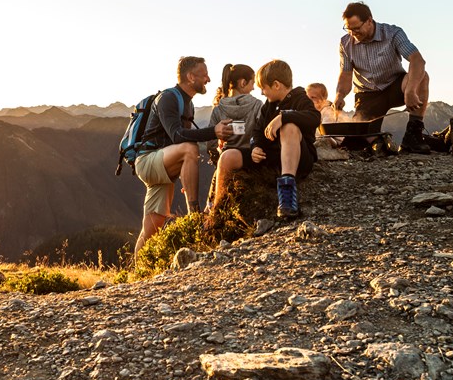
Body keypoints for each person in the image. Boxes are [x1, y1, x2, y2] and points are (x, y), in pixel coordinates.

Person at [133, 56, 233, 253]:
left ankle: (136, 273)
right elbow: (178, 136)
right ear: (190, 76)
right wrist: (214, 131)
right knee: (190, 148)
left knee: (151, 229)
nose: (209, 79)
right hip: (147, 161)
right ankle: (194, 215)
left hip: (162, 165)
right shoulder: (168, 98)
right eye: (204, 75)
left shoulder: (188, 103)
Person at [212, 59, 320, 220]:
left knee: (289, 127)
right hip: (271, 157)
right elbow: (258, 131)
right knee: (227, 156)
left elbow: (314, 117)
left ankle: (287, 196)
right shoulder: (267, 106)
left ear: (276, 85)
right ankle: (217, 210)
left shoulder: (300, 99)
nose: (262, 92)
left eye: (264, 87)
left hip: (298, 159)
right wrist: (255, 146)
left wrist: (283, 117)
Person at [334, 1, 431, 154]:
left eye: (357, 28)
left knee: (422, 77)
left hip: (395, 86)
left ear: (369, 21)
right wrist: (340, 95)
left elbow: (417, 60)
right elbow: (346, 74)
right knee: (357, 143)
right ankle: (379, 141)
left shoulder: (393, 33)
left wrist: (411, 91)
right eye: (349, 29)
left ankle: (413, 135)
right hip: (367, 94)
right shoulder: (345, 43)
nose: (353, 33)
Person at [207, 63, 262, 161]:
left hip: (226, 161)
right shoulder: (257, 105)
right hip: (251, 161)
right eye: (252, 83)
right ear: (243, 83)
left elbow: (211, 145)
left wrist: (218, 161)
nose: (253, 88)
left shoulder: (218, 109)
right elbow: (262, 133)